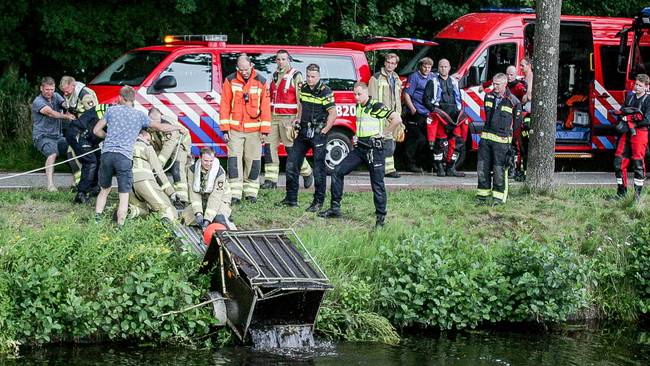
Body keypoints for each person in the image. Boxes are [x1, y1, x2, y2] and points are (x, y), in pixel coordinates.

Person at [93, 85, 181, 227]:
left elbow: (96, 130)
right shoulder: (139, 115)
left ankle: (97, 218)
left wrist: (108, 137)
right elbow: (161, 127)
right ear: (133, 99)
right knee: (123, 193)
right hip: (124, 158)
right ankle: (120, 225)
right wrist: (178, 127)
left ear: (120, 98)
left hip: (107, 155)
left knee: (104, 189)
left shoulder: (111, 110)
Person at [319, 82, 402, 227]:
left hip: (374, 151)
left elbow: (397, 119)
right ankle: (335, 208)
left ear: (366, 92)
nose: (356, 97)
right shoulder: (358, 107)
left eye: (359, 94)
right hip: (360, 149)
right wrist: (356, 136)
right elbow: (362, 125)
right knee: (337, 171)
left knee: (377, 184)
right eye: (354, 94)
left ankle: (380, 219)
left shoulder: (376, 106)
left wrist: (382, 134)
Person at [278, 63, 336, 212]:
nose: (310, 79)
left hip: (318, 133)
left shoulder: (325, 91)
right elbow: (302, 105)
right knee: (291, 164)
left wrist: (324, 131)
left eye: (313, 77)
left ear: (319, 76)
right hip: (303, 131)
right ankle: (291, 199)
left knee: (319, 169)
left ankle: (318, 202)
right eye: (308, 76)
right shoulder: (303, 87)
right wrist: (297, 119)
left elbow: (333, 113)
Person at [220, 54, 271, 204]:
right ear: (237, 68)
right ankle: (235, 193)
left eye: (246, 69)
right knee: (234, 161)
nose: (244, 72)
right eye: (241, 69)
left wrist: (264, 131)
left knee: (253, 161)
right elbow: (224, 105)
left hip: (255, 131)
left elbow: (265, 108)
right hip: (235, 130)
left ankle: (251, 192)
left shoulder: (261, 81)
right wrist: (225, 129)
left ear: (251, 65)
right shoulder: (230, 80)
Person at [261, 50, 314, 190]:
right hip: (273, 118)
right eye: (278, 59)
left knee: (291, 149)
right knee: (269, 148)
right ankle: (271, 180)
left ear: (288, 59)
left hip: (288, 119)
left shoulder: (296, 75)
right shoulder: (274, 75)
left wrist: (298, 119)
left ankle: (307, 172)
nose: (280, 62)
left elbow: (301, 100)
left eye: (283, 59)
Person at [476, 73, 522, 205]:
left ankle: (498, 198)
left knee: (499, 170)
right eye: (493, 84)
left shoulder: (513, 101)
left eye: (497, 84)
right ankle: (482, 197)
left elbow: (517, 125)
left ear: (505, 84)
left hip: (502, 142)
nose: (494, 87)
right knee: (482, 168)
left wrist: (513, 143)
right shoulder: (488, 96)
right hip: (486, 139)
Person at [31, 76, 76, 192]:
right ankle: (50, 185)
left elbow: (64, 104)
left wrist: (69, 107)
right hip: (42, 136)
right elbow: (51, 113)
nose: (49, 92)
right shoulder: (38, 102)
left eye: (52, 89)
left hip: (58, 136)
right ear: (41, 88)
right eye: (47, 89)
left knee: (74, 150)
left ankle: (76, 182)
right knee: (52, 154)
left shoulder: (55, 96)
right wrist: (67, 116)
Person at [127, 129, 179, 222]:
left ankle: (132, 212)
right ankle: (167, 226)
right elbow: (158, 172)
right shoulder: (146, 147)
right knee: (166, 207)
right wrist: (171, 192)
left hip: (128, 185)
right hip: (144, 181)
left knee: (143, 209)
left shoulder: (126, 146)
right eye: (148, 138)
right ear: (143, 135)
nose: (150, 141)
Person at [423, 58, 463, 177]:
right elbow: (425, 99)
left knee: (457, 142)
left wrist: (459, 113)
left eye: (445, 66)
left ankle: (451, 167)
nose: (443, 69)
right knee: (440, 143)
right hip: (440, 115)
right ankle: (439, 167)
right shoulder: (432, 82)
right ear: (438, 68)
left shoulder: (454, 82)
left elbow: (459, 99)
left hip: (454, 116)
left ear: (450, 68)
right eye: (441, 66)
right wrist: (434, 110)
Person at [614, 73, 650, 202]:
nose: (637, 87)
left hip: (640, 133)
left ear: (646, 86)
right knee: (619, 161)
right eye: (636, 84)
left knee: (638, 163)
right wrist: (621, 116)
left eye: (640, 85)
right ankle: (621, 193)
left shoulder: (648, 100)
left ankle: (637, 196)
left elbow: (647, 120)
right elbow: (623, 110)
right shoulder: (630, 97)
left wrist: (630, 119)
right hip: (627, 132)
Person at [368, 52, 404, 179]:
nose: (390, 65)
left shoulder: (396, 78)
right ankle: (386, 169)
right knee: (385, 142)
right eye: (388, 62)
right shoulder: (376, 78)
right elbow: (371, 99)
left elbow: (398, 99)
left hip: (394, 116)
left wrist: (399, 116)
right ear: (384, 63)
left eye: (393, 63)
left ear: (396, 65)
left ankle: (386, 168)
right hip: (382, 116)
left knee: (391, 142)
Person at [60, 76, 100, 187]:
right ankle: (80, 182)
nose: (65, 94)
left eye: (67, 91)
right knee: (71, 153)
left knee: (88, 158)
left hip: (87, 130)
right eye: (64, 92)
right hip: (79, 128)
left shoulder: (85, 95)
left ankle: (88, 185)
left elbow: (93, 114)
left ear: (73, 85)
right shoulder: (71, 93)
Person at [148, 107, 192, 205]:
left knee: (177, 168)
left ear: (161, 117)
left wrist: (158, 164)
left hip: (180, 144)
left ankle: (182, 199)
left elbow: (168, 149)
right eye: (154, 122)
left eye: (158, 121)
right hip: (163, 145)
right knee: (154, 168)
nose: (157, 125)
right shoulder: (149, 126)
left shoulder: (168, 126)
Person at [183, 148, 234, 230]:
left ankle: (227, 221)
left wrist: (208, 219)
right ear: (200, 158)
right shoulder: (192, 170)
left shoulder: (220, 172)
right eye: (206, 161)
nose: (208, 164)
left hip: (221, 199)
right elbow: (194, 193)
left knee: (218, 218)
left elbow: (215, 197)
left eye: (211, 161)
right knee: (186, 218)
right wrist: (198, 213)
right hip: (204, 197)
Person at [68, 104, 108, 203]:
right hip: (77, 133)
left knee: (98, 159)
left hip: (89, 137)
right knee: (91, 162)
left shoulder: (115, 110)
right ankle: (81, 194)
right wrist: (110, 136)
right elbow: (97, 131)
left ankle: (94, 188)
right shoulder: (111, 111)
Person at [403, 57, 435, 173]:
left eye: (429, 67)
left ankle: (423, 164)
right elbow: (407, 95)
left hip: (428, 113)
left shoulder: (432, 77)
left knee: (426, 140)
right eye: (424, 66)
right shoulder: (414, 77)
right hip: (416, 113)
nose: (426, 69)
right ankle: (410, 164)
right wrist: (413, 110)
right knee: (415, 139)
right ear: (420, 66)